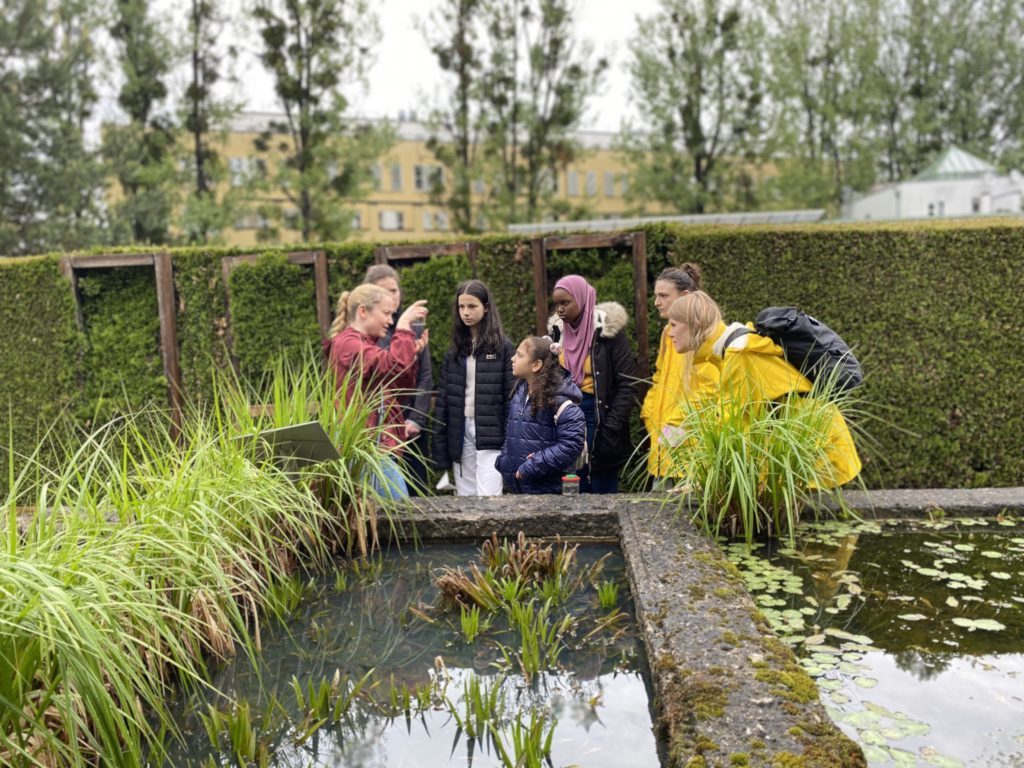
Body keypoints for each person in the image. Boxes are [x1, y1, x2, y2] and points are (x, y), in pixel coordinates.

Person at [666, 290, 861, 488]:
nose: (669, 332)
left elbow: (733, 431)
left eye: (673, 325)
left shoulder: (739, 355)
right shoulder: (734, 348)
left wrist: (704, 482)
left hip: (815, 452)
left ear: (694, 324)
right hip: (812, 446)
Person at [326, 283, 429, 500]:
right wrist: (403, 328)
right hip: (365, 447)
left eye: (393, 316)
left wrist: (411, 354)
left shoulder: (364, 345)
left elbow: (400, 388)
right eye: (387, 313)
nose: (390, 320)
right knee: (400, 512)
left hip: (375, 447)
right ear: (363, 311)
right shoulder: (348, 344)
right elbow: (394, 365)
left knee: (390, 519)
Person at [548, 275, 639, 493]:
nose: (559, 309)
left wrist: (610, 429)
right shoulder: (557, 334)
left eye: (565, 302)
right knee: (571, 490)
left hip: (598, 418)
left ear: (581, 298)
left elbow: (628, 384)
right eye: (556, 304)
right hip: (564, 418)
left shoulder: (607, 332)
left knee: (602, 489)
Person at [433, 280, 516, 496]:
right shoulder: (454, 351)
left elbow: (512, 397)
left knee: (489, 497)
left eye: (472, 306)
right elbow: (444, 400)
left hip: (491, 432)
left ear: (486, 307)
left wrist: (512, 438)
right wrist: (441, 446)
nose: (466, 312)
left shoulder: (503, 348)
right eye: (461, 307)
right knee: (466, 498)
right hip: (460, 433)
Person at [640, 264, 719, 486]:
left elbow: (710, 389)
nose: (657, 303)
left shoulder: (705, 332)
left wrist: (674, 424)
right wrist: (650, 415)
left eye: (664, 296)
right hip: (664, 446)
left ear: (685, 296)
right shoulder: (668, 332)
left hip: (690, 454)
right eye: (656, 296)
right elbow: (659, 377)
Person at [364, 264, 434, 495]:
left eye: (394, 290)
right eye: (384, 291)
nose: (391, 297)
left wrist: (416, 419)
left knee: (417, 491)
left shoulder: (414, 325)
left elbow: (424, 376)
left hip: (410, 422)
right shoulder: (366, 331)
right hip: (379, 427)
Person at [496, 336, 586, 494]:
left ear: (536, 365)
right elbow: (510, 432)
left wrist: (533, 465)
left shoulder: (561, 401)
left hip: (548, 491)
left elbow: (571, 444)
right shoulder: (519, 393)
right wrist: (504, 461)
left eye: (520, 355)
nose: (512, 358)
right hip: (518, 487)